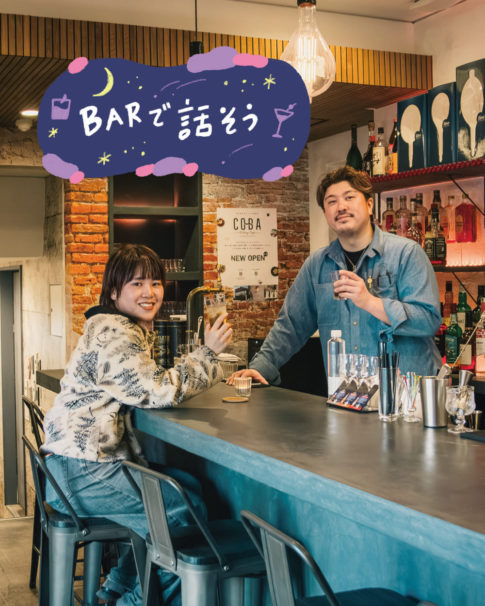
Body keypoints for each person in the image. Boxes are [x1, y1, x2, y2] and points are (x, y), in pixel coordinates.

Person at [41, 244, 232, 606]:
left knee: (187, 487)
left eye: (156, 283)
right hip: (83, 470)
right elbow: (158, 389)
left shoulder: (115, 325)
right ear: (114, 292)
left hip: (72, 465)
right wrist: (207, 353)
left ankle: (115, 589)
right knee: (182, 511)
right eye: (137, 283)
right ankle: (135, 601)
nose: (150, 292)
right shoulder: (115, 334)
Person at [229, 166, 442, 388]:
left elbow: (428, 321)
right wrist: (260, 367)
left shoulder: (406, 254)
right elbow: (291, 326)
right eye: (331, 202)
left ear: (370, 205)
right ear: (326, 214)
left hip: (407, 397)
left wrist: (370, 302)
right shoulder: (317, 266)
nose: (341, 207)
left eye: (349, 197)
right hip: (349, 395)